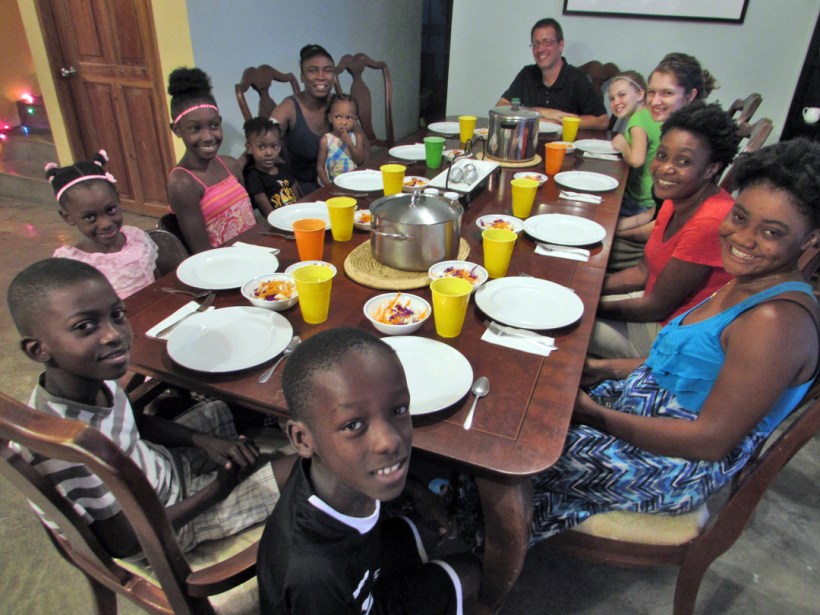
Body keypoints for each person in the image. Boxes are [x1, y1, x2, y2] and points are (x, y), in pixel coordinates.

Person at [528, 137, 820, 541]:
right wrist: (601, 368)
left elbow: (710, 441)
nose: (744, 239)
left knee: (526, 445)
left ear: (810, 240)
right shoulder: (749, 281)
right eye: (739, 217)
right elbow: (687, 369)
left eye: (771, 232)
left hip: (675, 465)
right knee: (535, 385)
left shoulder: (775, 321)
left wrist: (591, 414)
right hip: (647, 412)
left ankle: (472, 553)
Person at [7, 258, 287, 558]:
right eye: (84, 326)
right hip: (167, 526)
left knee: (248, 402)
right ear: (39, 350)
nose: (113, 334)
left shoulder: (93, 378)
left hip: (164, 467)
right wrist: (218, 489)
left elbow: (134, 424)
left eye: (117, 315)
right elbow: (124, 543)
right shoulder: (60, 449)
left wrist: (203, 441)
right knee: (309, 469)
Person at [257, 327, 479, 614]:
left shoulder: (341, 477)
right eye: (353, 425)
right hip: (348, 597)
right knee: (469, 571)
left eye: (398, 410)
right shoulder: (312, 577)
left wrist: (414, 488)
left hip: (363, 568)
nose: (389, 441)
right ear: (303, 439)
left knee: (430, 531)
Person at [590, 102, 740, 359]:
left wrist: (589, 304)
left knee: (553, 324)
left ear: (712, 168)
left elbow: (656, 307)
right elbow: (642, 271)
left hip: (667, 337)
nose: (665, 168)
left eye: (683, 161)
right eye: (661, 155)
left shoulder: (710, 221)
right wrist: (590, 288)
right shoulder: (676, 198)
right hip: (651, 309)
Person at [611, 53, 719, 270]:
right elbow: (657, 214)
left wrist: (614, 232)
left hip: (655, 256)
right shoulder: (671, 134)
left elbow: (664, 230)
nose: (655, 101)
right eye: (652, 92)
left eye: (667, 93)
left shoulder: (692, 148)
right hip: (650, 231)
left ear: (690, 96)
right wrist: (614, 226)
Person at [166, 67, 255, 253]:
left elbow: (250, 221)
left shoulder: (231, 165)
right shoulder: (183, 183)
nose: (208, 136)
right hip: (222, 270)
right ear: (177, 130)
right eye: (195, 129)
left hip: (255, 254)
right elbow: (201, 252)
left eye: (214, 125)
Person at [48, 151, 157, 300]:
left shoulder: (137, 239)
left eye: (110, 210)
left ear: (117, 199)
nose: (106, 223)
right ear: (68, 217)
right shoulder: (74, 266)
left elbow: (157, 281)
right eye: (90, 217)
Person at [497, 18, 607, 130]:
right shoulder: (527, 74)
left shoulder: (577, 78)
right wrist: (539, 112)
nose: (540, 49)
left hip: (565, 144)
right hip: (529, 142)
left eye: (547, 42)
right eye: (536, 44)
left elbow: (602, 120)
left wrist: (558, 122)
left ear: (560, 45)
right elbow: (501, 107)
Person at [272, 44, 335, 195]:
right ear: (302, 76)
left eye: (327, 70)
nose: (321, 76)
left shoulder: (340, 105)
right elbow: (261, 141)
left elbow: (363, 149)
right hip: (303, 191)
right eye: (313, 70)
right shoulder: (288, 108)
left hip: (339, 183)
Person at [608, 71, 661, 219]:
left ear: (640, 94)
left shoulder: (638, 120)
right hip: (654, 197)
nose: (616, 102)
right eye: (611, 99)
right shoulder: (649, 114)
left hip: (640, 202)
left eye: (622, 95)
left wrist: (623, 144)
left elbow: (637, 161)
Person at [243, 117, 299, 217]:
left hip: (298, 216)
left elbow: (299, 199)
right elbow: (269, 215)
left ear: (280, 147)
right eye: (261, 147)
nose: (269, 153)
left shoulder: (284, 168)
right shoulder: (254, 178)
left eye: (274, 146)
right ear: (249, 148)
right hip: (279, 224)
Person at [316, 94, 370, 186]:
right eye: (338, 117)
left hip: (354, 183)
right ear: (330, 118)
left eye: (349, 118)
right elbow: (320, 167)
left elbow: (360, 160)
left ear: (355, 120)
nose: (343, 122)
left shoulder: (357, 137)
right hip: (333, 184)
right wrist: (328, 186)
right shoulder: (326, 140)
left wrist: (349, 143)